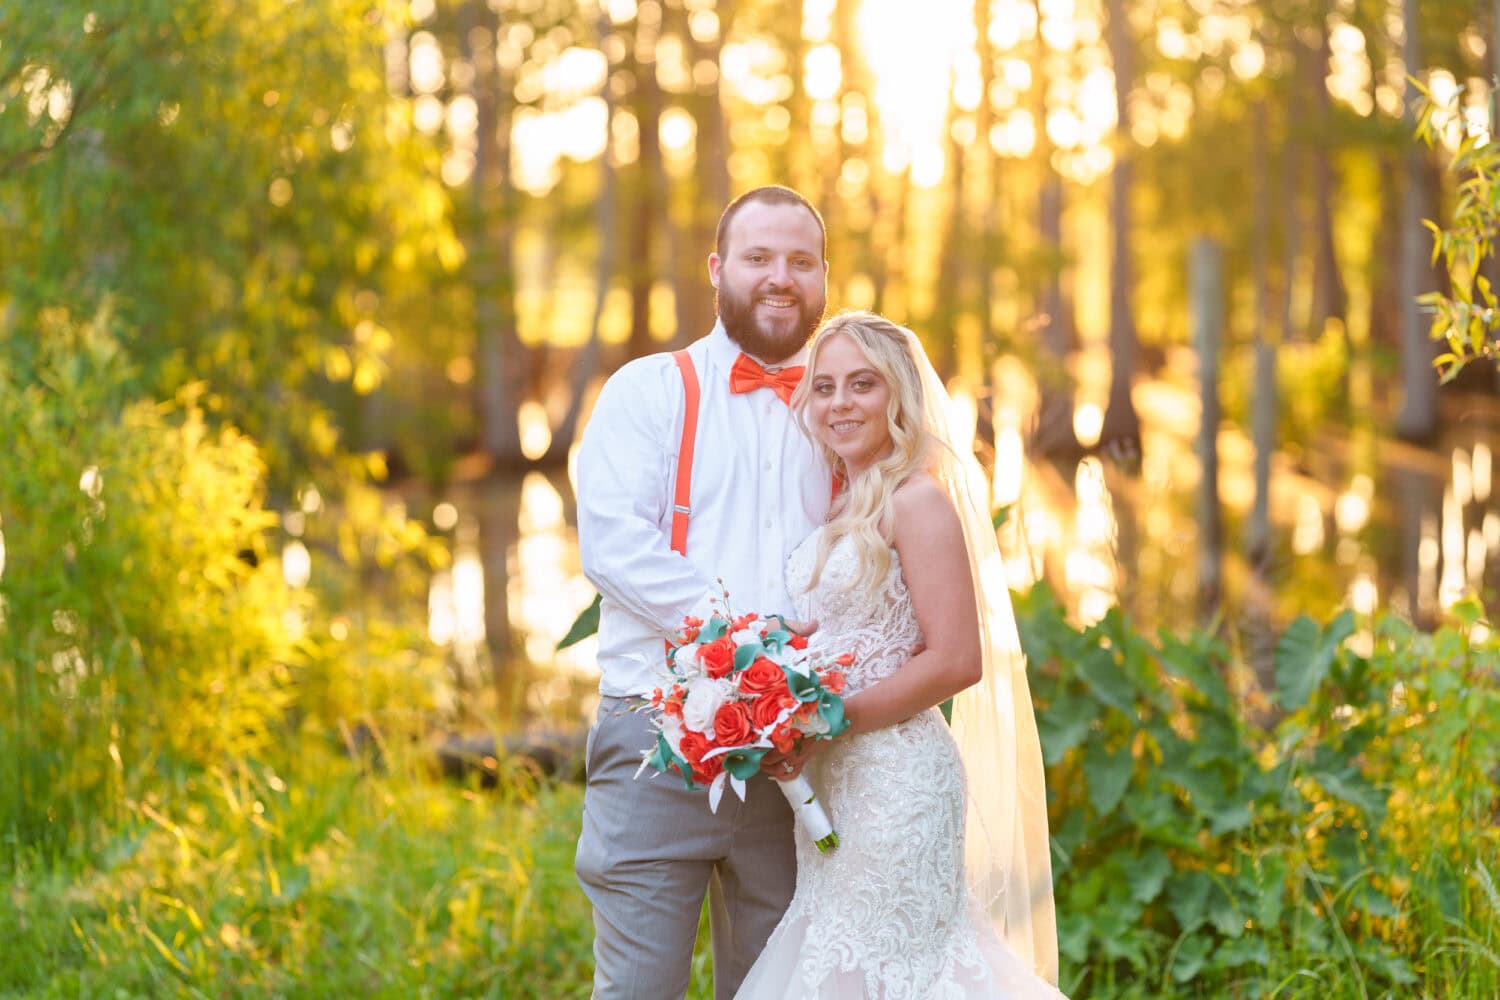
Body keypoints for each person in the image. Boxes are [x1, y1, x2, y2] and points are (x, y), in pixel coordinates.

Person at [735, 312, 1066, 999]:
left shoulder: (918, 500)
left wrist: (825, 720)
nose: (839, 403)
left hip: (897, 785)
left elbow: (954, 660)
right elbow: (847, 637)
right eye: (823, 388)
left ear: (899, 398)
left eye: (862, 385)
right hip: (839, 784)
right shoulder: (849, 503)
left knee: (882, 968)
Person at [573, 185, 833, 999]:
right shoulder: (647, 390)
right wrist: (751, 657)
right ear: (718, 269)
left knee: (780, 990)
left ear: (826, 277)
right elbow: (614, 545)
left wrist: (804, 692)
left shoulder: (850, 406)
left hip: (807, 763)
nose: (779, 277)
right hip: (658, 745)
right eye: (758, 258)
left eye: (801, 261)